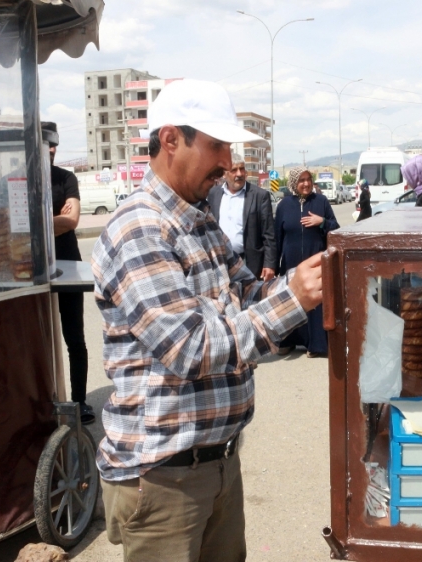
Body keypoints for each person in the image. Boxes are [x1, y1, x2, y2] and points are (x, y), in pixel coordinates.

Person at [91, 80, 323, 562]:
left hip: (216, 464)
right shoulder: (140, 228)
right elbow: (190, 349)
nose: (226, 161)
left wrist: (305, 282)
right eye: (217, 145)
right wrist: (294, 299)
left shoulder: (198, 221)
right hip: (163, 479)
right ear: (171, 140)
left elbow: (247, 293)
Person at [43, 122, 94, 425]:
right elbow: (9, 221)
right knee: (35, 340)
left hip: (68, 267)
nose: (51, 150)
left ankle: (79, 401)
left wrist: (32, 222)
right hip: (30, 271)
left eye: (55, 144)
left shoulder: (65, 178)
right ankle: (42, 400)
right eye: (46, 144)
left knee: (74, 337)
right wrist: (54, 220)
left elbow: (72, 220)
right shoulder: (13, 181)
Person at [274, 167, 339, 358]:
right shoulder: (284, 205)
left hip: (315, 263)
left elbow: (336, 230)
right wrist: (275, 266)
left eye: (309, 179)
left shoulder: (321, 202)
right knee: (292, 301)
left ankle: (317, 345)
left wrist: (322, 221)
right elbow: (277, 237)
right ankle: (289, 341)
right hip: (291, 263)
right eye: (301, 180)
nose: (306, 183)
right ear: (294, 183)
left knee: (316, 302)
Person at [208, 152, 276, 281]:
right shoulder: (214, 194)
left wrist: (270, 264)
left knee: (250, 299)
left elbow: (269, 234)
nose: (239, 174)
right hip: (221, 262)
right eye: (234, 170)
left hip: (248, 262)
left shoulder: (259, 196)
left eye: (242, 169)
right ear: (224, 173)